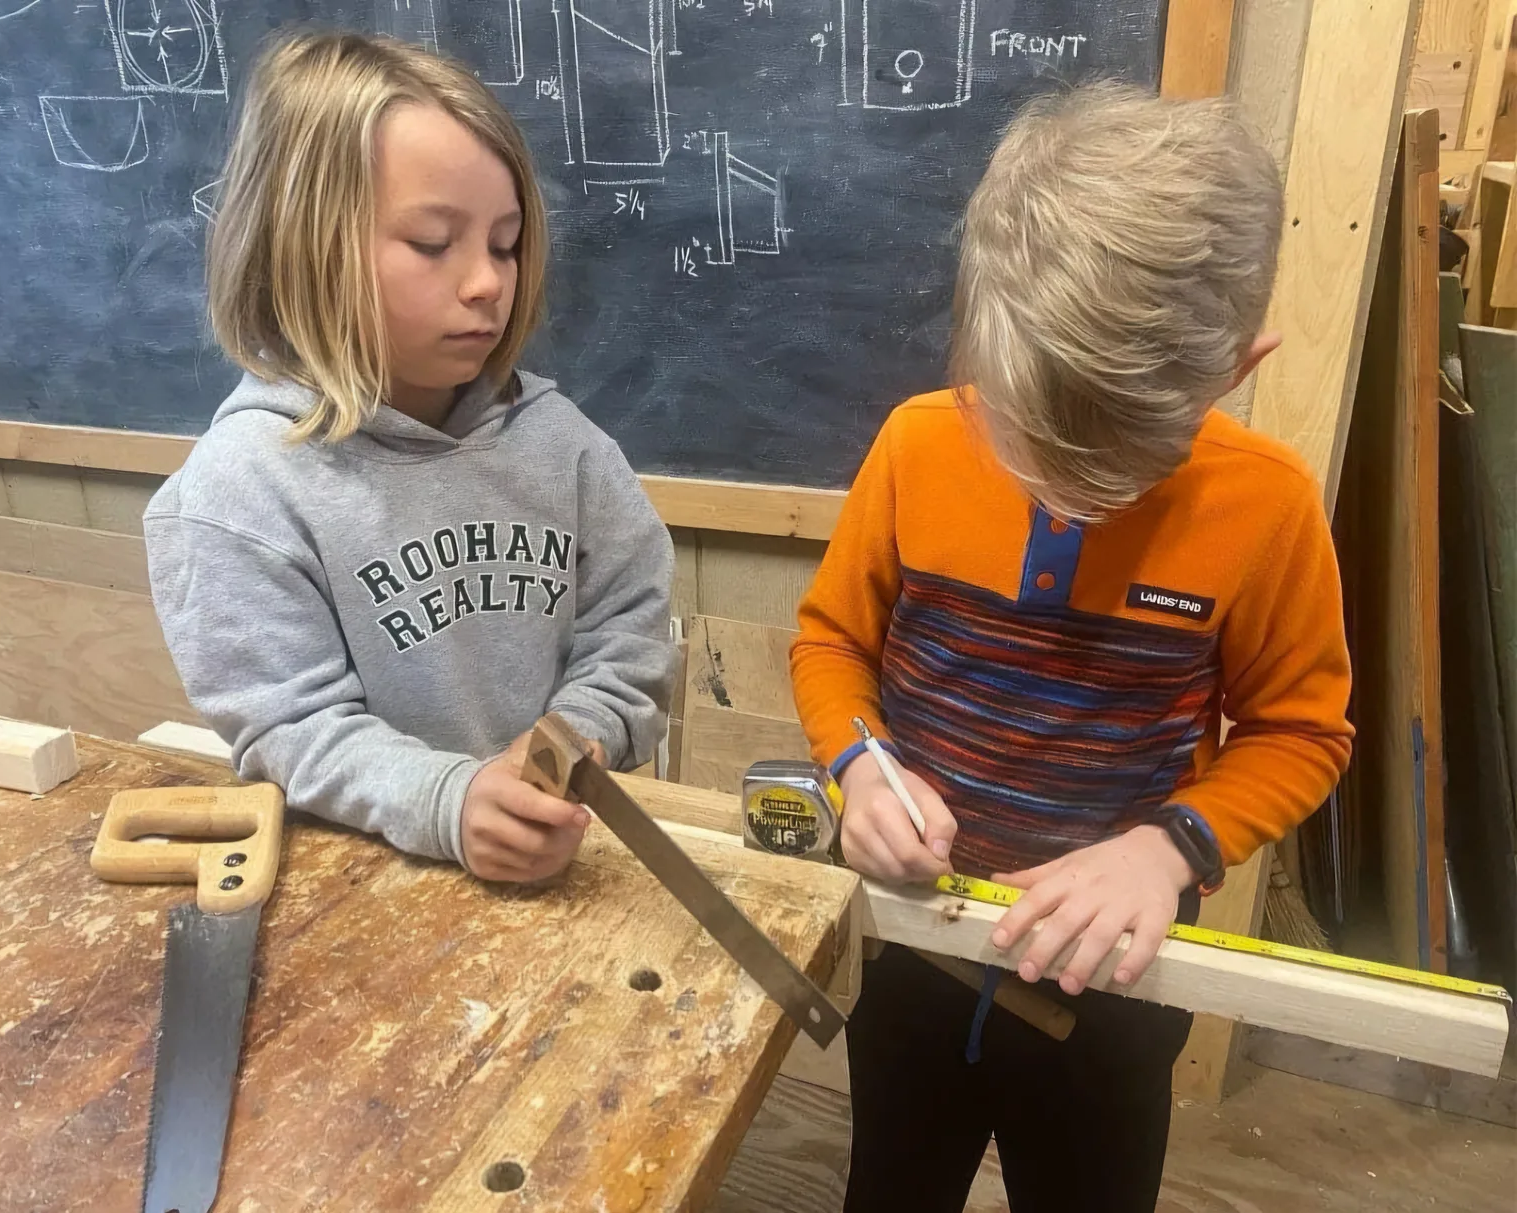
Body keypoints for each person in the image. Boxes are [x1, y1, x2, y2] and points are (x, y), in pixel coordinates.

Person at [790, 82, 1353, 1212]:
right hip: (915, 947)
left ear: (1235, 369)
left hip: (1115, 983)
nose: (1063, 488)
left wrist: (1167, 848)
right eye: (1032, 433)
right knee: (889, 1182)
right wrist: (860, 765)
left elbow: (1301, 729)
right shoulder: (915, 447)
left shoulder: (1268, 506)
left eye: (1114, 458)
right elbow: (831, 641)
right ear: (983, 339)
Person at [146, 33, 675, 883]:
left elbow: (631, 625)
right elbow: (291, 726)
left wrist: (569, 744)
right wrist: (448, 799)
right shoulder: (236, 493)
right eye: (434, 243)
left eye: (504, 243)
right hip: (364, 891)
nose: (487, 283)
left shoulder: (563, 445)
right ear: (301, 247)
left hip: (557, 873)